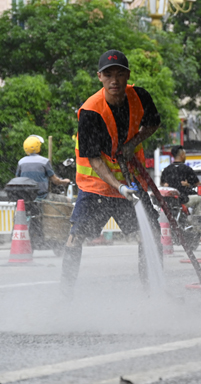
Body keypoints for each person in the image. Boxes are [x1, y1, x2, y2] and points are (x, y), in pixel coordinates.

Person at [60, 49, 161, 297]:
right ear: (100, 77)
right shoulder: (90, 112)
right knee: (75, 238)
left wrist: (133, 142)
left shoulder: (140, 96)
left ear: (127, 76)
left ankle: (153, 292)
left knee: (151, 236)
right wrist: (119, 186)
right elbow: (94, 160)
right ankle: (65, 294)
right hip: (97, 186)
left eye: (119, 74)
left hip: (131, 182)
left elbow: (153, 123)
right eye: (108, 75)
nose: (114, 80)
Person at [17, 135, 71, 247]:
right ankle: (58, 234)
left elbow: (17, 178)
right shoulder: (44, 161)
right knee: (66, 201)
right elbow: (55, 180)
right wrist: (64, 181)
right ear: (38, 147)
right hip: (42, 196)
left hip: (26, 198)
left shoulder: (21, 162)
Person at [160, 145, 201, 212]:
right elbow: (199, 184)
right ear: (182, 155)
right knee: (200, 198)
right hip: (184, 199)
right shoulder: (187, 169)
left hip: (170, 201)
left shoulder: (166, 170)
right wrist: (189, 185)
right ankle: (196, 220)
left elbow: (162, 184)